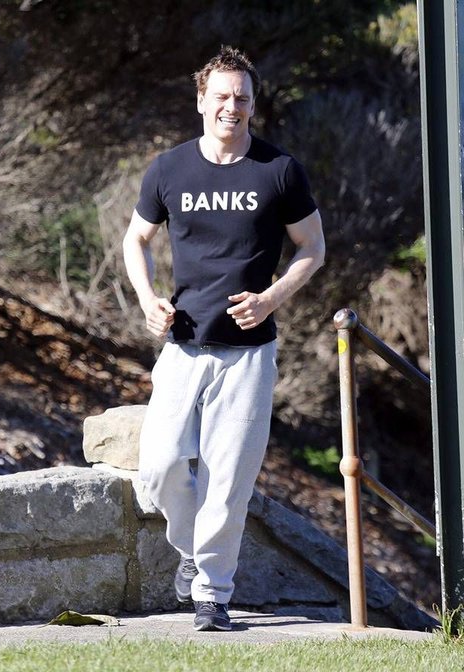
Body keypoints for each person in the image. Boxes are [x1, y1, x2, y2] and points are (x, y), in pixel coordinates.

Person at [122, 45, 325, 632]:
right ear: (201, 101)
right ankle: (192, 549)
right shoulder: (169, 169)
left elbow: (313, 248)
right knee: (160, 467)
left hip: (249, 356)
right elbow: (137, 240)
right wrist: (148, 300)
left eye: (242, 97)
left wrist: (270, 299)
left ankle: (212, 595)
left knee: (228, 482)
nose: (231, 106)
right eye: (221, 96)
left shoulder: (279, 170)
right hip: (182, 346)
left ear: (253, 106)